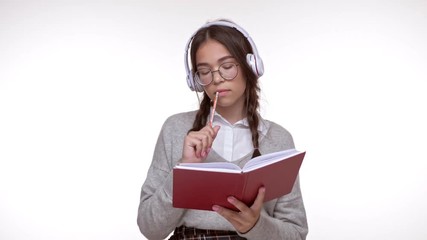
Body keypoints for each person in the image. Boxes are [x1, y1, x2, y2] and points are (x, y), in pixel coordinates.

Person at [137, 19, 308, 240]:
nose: (216, 78)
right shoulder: (175, 129)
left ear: (251, 66)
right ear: (195, 80)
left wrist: (255, 225)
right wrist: (184, 169)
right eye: (204, 71)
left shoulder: (279, 139)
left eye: (227, 67)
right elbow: (150, 229)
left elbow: (296, 234)